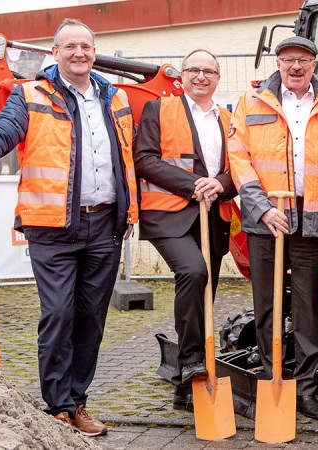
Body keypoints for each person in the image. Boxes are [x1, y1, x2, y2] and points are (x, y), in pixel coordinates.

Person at [0, 18, 138, 436]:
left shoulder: (116, 98)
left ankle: (78, 402)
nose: (79, 53)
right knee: (58, 313)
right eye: (69, 46)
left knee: (91, 318)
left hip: (106, 225)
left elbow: (130, 155)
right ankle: (57, 405)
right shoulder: (29, 94)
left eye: (86, 47)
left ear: (95, 52)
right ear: (54, 53)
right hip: (52, 228)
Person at [228, 36, 318, 420]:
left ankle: (305, 389)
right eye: (288, 60)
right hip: (266, 218)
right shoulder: (250, 102)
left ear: (315, 63)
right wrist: (263, 209)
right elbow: (239, 159)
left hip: (315, 217)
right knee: (267, 305)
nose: (295, 67)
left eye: (303, 60)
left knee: (307, 308)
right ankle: (272, 383)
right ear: (278, 63)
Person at [133, 49, 236, 412]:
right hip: (170, 216)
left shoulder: (228, 117)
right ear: (183, 75)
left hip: (214, 217)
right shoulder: (159, 110)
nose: (201, 76)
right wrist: (194, 184)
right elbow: (144, 158)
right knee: (193, 272)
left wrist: (219, 185)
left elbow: (238, 167)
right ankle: (191, 360)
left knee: (204, 294)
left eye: (209, 71)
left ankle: (185, 386)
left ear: (218, 77)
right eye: (194, 69)